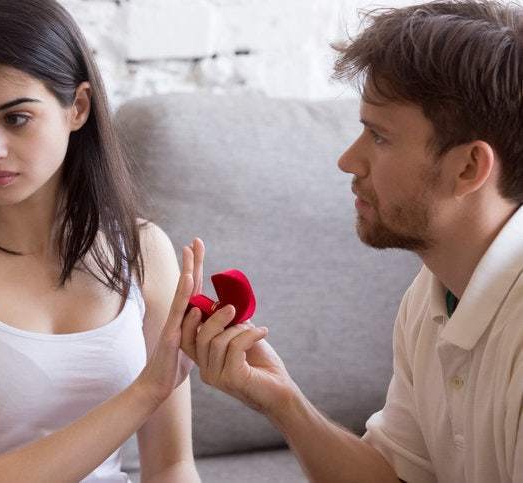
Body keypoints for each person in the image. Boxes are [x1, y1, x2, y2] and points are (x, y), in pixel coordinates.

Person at [179, 1, 523, 482]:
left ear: (468, 167)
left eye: (379, 137)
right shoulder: (433, 295)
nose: (348, 160)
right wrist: (282, 400)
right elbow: (392, 476)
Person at [0, 1, 204, 481]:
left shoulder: (143, 250)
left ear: (77, 107)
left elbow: (172, 465)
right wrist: (147, 391)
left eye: (16, 118)